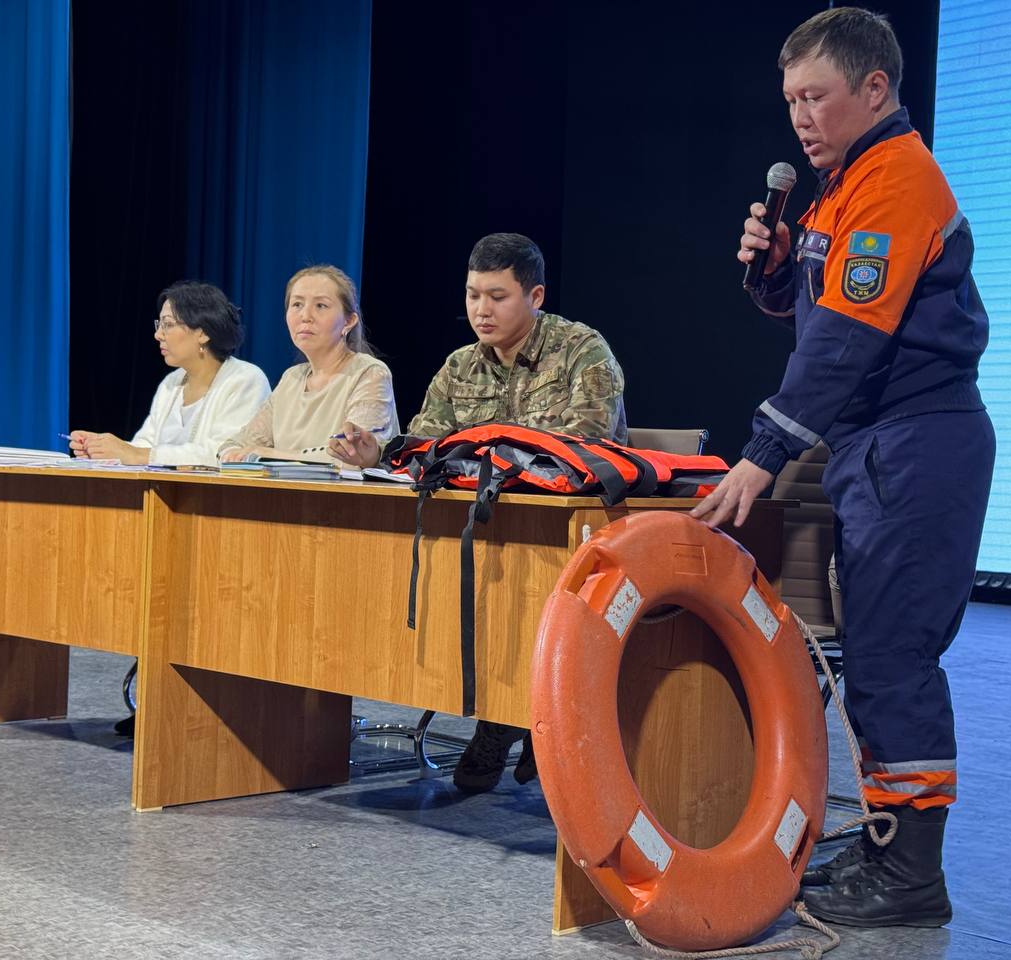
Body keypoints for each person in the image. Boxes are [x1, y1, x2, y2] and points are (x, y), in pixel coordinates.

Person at [691, 8, 995, 928]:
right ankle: (886, 850)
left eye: (815, 96)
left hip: (918, 441)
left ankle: (910, 880)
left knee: (893, 659)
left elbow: (848, 346)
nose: (800, 117)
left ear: (875, 89)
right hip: (876, 445)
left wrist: (763, 456)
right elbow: (822, 316)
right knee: (873, 655)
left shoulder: (897, 180)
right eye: (790, 101)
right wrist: (778, 269)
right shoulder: (837, 188)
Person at [330, 232, 628, 793]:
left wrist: (482, 454)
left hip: (565, 533)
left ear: (535, 296)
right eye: (472, 295)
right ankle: (505, 716)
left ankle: (524, 721)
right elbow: (428, 445)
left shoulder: (583, 351)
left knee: (526, 592)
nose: (481, 311)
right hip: (483, 529)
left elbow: (584, 447)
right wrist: (384, 452)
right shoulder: (460, 366)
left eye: (498, 296)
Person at [68, 281, 270, 466]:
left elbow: (225, 453)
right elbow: (143, 445)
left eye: (168, 325)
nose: (158, 335)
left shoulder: (246, 380)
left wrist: (135, 455)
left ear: (203, 333)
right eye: (160, 325)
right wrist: (104, 452)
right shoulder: (171, 383)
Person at [217, 266, 398, 463]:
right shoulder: (291, 378)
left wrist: (269, 454)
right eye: (297, 305)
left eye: (320, 306)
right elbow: (236, 444)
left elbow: (352, 456)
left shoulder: (370, 374)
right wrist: (232, 454)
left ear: (348, 321)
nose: (305, 316)